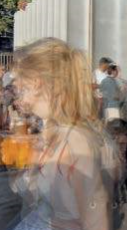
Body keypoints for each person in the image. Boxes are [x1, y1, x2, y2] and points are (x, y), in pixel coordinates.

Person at [11, 37, 119, 230]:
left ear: (36, 83)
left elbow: (96, 217)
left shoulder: (75, 140)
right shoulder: (59, 131)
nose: (19, 96)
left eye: (21, 88)